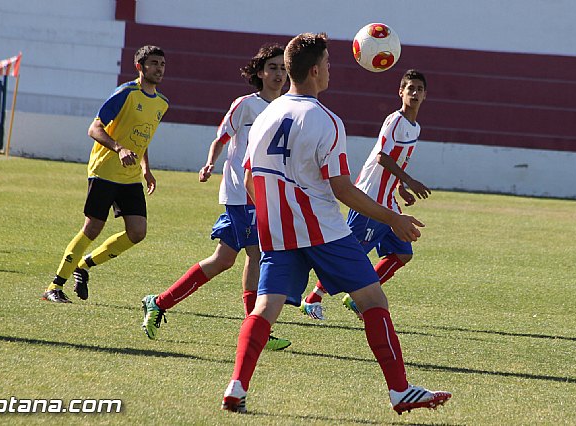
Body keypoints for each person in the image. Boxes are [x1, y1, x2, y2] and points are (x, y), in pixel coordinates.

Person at [221, 33, 451, 416]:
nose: (331, 70)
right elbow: (343, 189)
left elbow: (249, 179)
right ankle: (400, 391)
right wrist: (393, 217)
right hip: (324, 230)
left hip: (277, 231)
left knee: (265, 308)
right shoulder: (326, 120)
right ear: (314, 70)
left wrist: (274, 216)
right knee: (373, 300)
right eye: (327, 63)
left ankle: (236, 386)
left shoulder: (265, 117)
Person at [141, 44, 291, 351]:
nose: (278, 74)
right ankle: (257, 327)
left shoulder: (287, 107)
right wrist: (210, 162)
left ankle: (158, 303)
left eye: (283, 68)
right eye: (273, 68)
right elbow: (222, 137)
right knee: (257, 254)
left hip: (264, 193)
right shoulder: (246, 105)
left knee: (224, 259)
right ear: (260, 73)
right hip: (241, 191)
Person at [41, 45, 168, 303]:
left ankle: (84, 266)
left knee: (137, 232)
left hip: (131, 176)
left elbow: (142, 136)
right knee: (93, 227)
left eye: (162, 64)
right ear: (140, 67)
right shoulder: (126, 93)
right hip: (104, 170)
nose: (159, 68)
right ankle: (54, 286)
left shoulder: (162, 103)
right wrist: (119, 148)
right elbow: (94, 128)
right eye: (153, 63)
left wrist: (146, 169)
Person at [301, 69, 430, 320]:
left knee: (403, 253)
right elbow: (383, 156)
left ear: (425, 95)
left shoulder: (415, 128)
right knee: (350, 255)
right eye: (410, 88)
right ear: (400, 92)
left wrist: (400, 187)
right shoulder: (394, 120)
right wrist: (410, 181)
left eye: (419, 89)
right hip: (370, 198)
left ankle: (356, 298)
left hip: (388, 200)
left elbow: (397, 160)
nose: (414, 93)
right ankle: (312, 299)